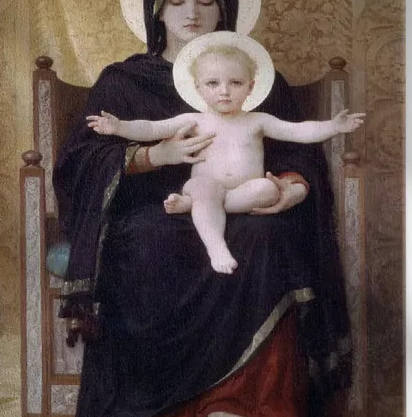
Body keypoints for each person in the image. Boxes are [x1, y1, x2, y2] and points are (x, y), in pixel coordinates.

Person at [31, 0, 351, 417]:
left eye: (206, 0)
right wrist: (155, 156)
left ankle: (240, 397)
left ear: (225, 10)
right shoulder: (123, 80)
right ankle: (151, 402)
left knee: (267, 238)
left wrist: (293, 188)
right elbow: (80, 158)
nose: (192, 13)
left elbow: (298, 150)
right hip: (149, 210)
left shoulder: (255, 78)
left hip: (247, 204)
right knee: (148, 242)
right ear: (156, 12)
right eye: (177, 1)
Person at [86, 36, 365, 274]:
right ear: (198, 88)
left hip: (243, 194)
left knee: (268, 189)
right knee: (204, 189)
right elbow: (150, 129)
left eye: (235, 83)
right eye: (213, 83)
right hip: (205, 186)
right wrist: (119, 127)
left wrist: (333, 127)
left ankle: (194, 206)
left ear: (251, 87)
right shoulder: (194, 120)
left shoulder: (258, 121)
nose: (224, 91)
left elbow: (298, 131)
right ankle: (216, 246)